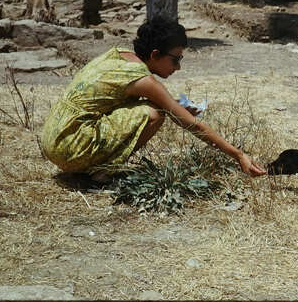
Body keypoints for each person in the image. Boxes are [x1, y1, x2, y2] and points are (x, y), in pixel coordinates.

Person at [39, 16, 266, 182]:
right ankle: (104, 171)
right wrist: (238, 155)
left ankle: (88, 167)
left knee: (158, 106)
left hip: (53, 137)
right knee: (155, 113)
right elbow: (190, 124)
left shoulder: (118, 54)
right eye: (175, 60)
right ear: (155, 54)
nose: (178, 67)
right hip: (70, 145)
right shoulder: (145, 80)